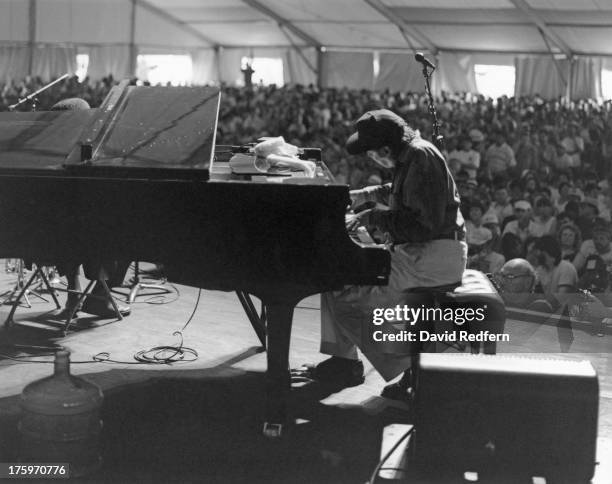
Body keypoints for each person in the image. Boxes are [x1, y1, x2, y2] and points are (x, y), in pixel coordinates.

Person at [296, 109, 467, 399]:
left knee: (344, 289)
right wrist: (364, 195)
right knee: (336, 271)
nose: (371, 159)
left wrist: (371, 217)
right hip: (424, 251)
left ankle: (413, 370)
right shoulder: (413, 155)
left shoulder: (421, 157)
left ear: (385, 149)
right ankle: (343, 362)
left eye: (371, 153)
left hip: (432, 256)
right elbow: (401, 191)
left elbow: (422, 227)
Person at [51, 98, 131, 319]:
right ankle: (99, 297)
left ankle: (73, 294)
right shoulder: (88, 157)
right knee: (129, 234)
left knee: (65, 233)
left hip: (49, 242)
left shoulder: (44, 159)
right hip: (86, 239)